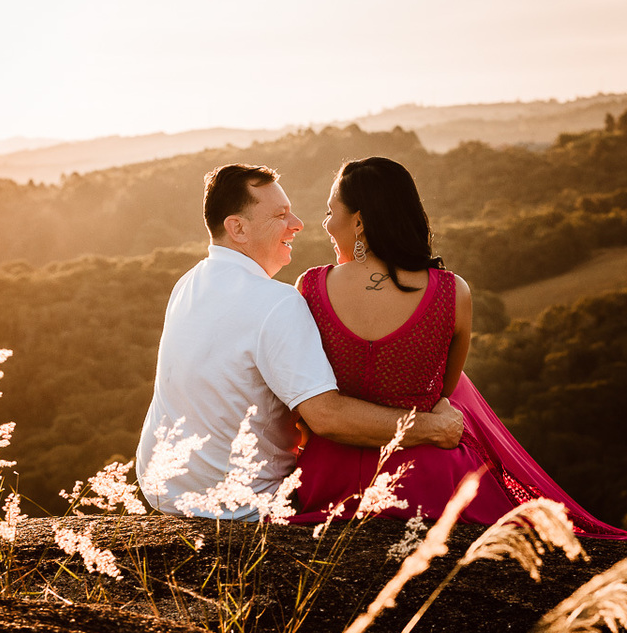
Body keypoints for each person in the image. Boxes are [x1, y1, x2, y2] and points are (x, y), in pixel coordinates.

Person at [288, 156, 627, 548]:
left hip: (327, 480)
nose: (325, 224)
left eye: (331, 212)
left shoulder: (309, 288)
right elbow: (444, 389)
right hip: (426, 476)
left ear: (360, 220)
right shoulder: (453, 292)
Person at [136, 164, 464, 520]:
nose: (297, 224)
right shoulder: (277, 302)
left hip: (162, 488)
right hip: (241, 505)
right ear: (237, 228)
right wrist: (435, 428)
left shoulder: (187, 283)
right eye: (281, 215)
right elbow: (327, 417)